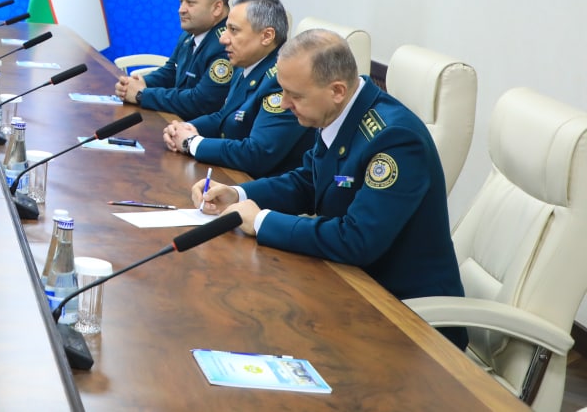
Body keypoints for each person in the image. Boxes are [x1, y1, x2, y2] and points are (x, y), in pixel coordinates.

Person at [192, 29, 467, 350]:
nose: (284, 103)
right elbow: (308, 181)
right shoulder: (339, 112)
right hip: (351, 286)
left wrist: (261, 221)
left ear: (336, 90)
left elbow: (357, 240)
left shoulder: (395, 140)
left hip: (408, 321)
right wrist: (239, 194)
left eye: (295, 95)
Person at [163, 0, 309, 178]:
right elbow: (223, 117)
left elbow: (258, 154)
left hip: (258, 186)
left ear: (266, 36)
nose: (223, 38)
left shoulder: (282, 81)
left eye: (233, 30)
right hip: (232, 174)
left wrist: (192, 143)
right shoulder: (245, 65)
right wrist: (182, 129)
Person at [114, 0, 233, 120]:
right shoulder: (189, 35)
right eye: (181, 2)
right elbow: (170, 72)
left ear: (217, 8)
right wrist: (137, 84)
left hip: (199, 128)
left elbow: (200, 102)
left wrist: (142, 95)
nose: (181, 10)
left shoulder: (226, 44)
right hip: (177, 122)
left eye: (190, 3)